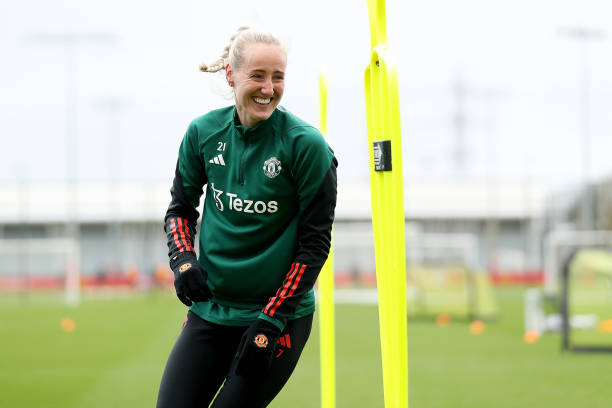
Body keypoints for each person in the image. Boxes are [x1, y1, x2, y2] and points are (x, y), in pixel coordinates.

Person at [156, 26, 338, 408]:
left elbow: (315, 244)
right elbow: (181, 209)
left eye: (278, 77)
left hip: (277, 316)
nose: (268, 88)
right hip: (212, 310)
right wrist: (183, 261)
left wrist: (272, 319)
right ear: (231, 75)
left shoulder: (307, 146)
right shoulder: (202, 133)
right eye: (257, 76)